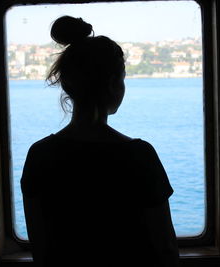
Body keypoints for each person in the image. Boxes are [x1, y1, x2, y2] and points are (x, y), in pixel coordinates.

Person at [21, 16, 179, 267]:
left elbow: (40, 248)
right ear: (112, 84)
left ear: (67, 84)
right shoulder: (140, 155)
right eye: (122, 77)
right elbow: (166, 248)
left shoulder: (39, 154)